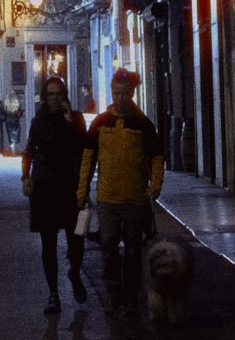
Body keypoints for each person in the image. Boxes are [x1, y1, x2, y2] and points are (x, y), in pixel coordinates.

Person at [78, 67, 164, 308]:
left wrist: (156, 184)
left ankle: (131, 297)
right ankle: (114, 292)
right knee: (108, 247)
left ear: (132, 93)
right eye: (116, 93)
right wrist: (81, 192)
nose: (120, 98)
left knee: (134, 250)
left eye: (125, 93)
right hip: (107, 198)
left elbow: (157, 157)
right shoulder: (100, 123)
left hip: (135, 200)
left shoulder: (143, 124)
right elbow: (88, 158)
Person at [21, 74, 89, 314]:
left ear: (65, 96)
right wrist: (26, 177)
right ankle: (53, 294)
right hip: (45, 188)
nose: (54, 98)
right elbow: (29, 150)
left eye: (58, 94)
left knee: (77, 239)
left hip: (70, 188)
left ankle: (74, 272)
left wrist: (71, 123)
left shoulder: (76, 119)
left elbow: (84, 150)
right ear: (44, 96)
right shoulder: (38, 121)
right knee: (48, 243)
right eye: (50, 94)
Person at [3, 89, 23, 153]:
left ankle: (11, 144)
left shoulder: (6, 104)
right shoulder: (17, 103)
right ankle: (14, 145)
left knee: (9, 133)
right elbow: (20, 111)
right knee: (15, 133)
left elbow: (4, 112)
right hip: (15, 119)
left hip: (8, 120)